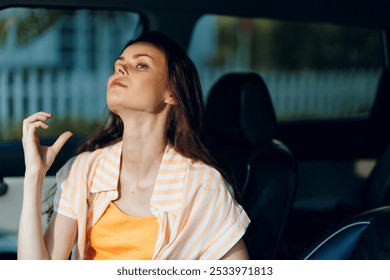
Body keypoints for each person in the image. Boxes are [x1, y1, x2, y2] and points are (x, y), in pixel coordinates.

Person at [18, 31, 250, 260]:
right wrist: (34, 176)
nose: (119, 69)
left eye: (141, 65)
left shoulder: (204, 186)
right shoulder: (83, 170)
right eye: (118, 65)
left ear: (172, 93)